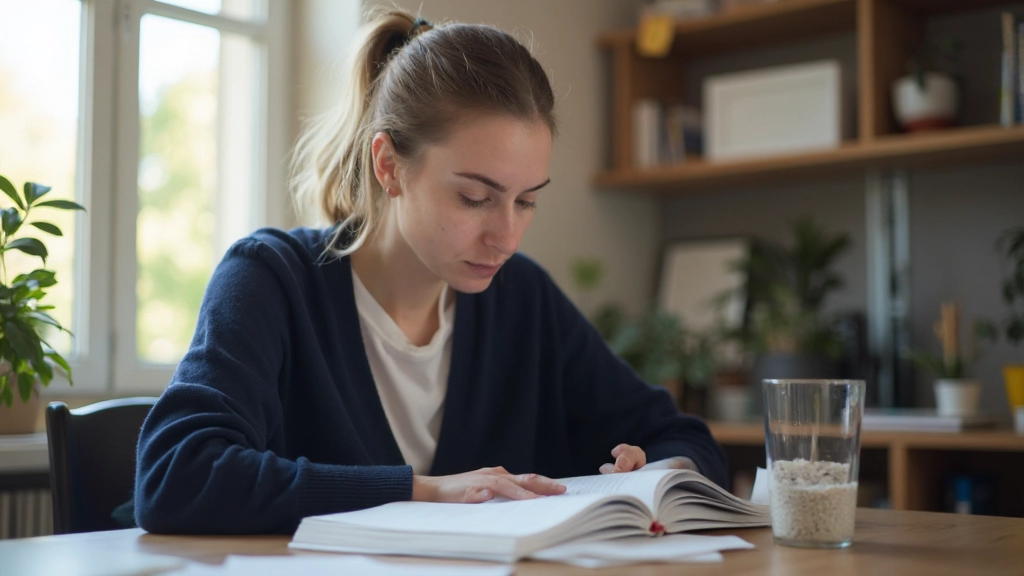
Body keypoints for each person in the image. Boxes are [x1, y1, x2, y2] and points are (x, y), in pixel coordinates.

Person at [134, 9, 726, 535]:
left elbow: (687, 439)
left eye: (526, 200)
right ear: (389, 166)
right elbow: (174, 476)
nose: (507, 236)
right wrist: (422, 490)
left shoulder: (523, 298)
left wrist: (658, 473)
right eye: (474, 197)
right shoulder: (271, 280)